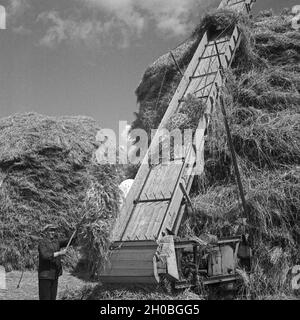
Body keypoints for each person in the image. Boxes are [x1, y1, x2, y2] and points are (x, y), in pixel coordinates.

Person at [38, 224, 76, 300]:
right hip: (45, 275)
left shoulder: (56, 241)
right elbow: (45, 256)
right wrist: (59, 253)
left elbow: (70, 241)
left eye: (54, 230)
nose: (53, 232)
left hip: (54, 275)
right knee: (45, 298)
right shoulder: (42, 243)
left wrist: (73, 231)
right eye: (51, 230)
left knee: (53, 298)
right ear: (46, 232)